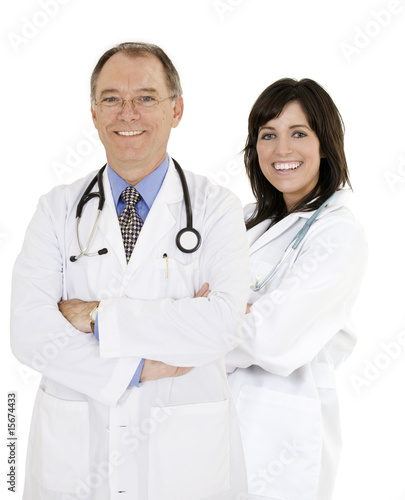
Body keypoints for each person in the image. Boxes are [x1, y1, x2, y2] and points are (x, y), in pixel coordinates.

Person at [10, 42, 250, 500]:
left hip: (185, 458)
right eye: (111, 98)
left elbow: (221, 325)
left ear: (176, 110)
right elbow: (30, 333)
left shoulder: (216, 208)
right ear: (94, 113)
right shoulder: (57, 209)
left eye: (145, 97)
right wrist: (139, 366)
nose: (128, 113)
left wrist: (94, 315)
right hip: (76, 454)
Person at [225, 78, 368, 500]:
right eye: (268, 135)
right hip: (216, 423)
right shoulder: (245, 221)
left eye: (299, 133)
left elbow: (270, 339)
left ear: (325, 145)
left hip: (281, 437)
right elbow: (182, 299)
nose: (281, 150)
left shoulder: (338, 233)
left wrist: (206, 317)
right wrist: (229, 314)